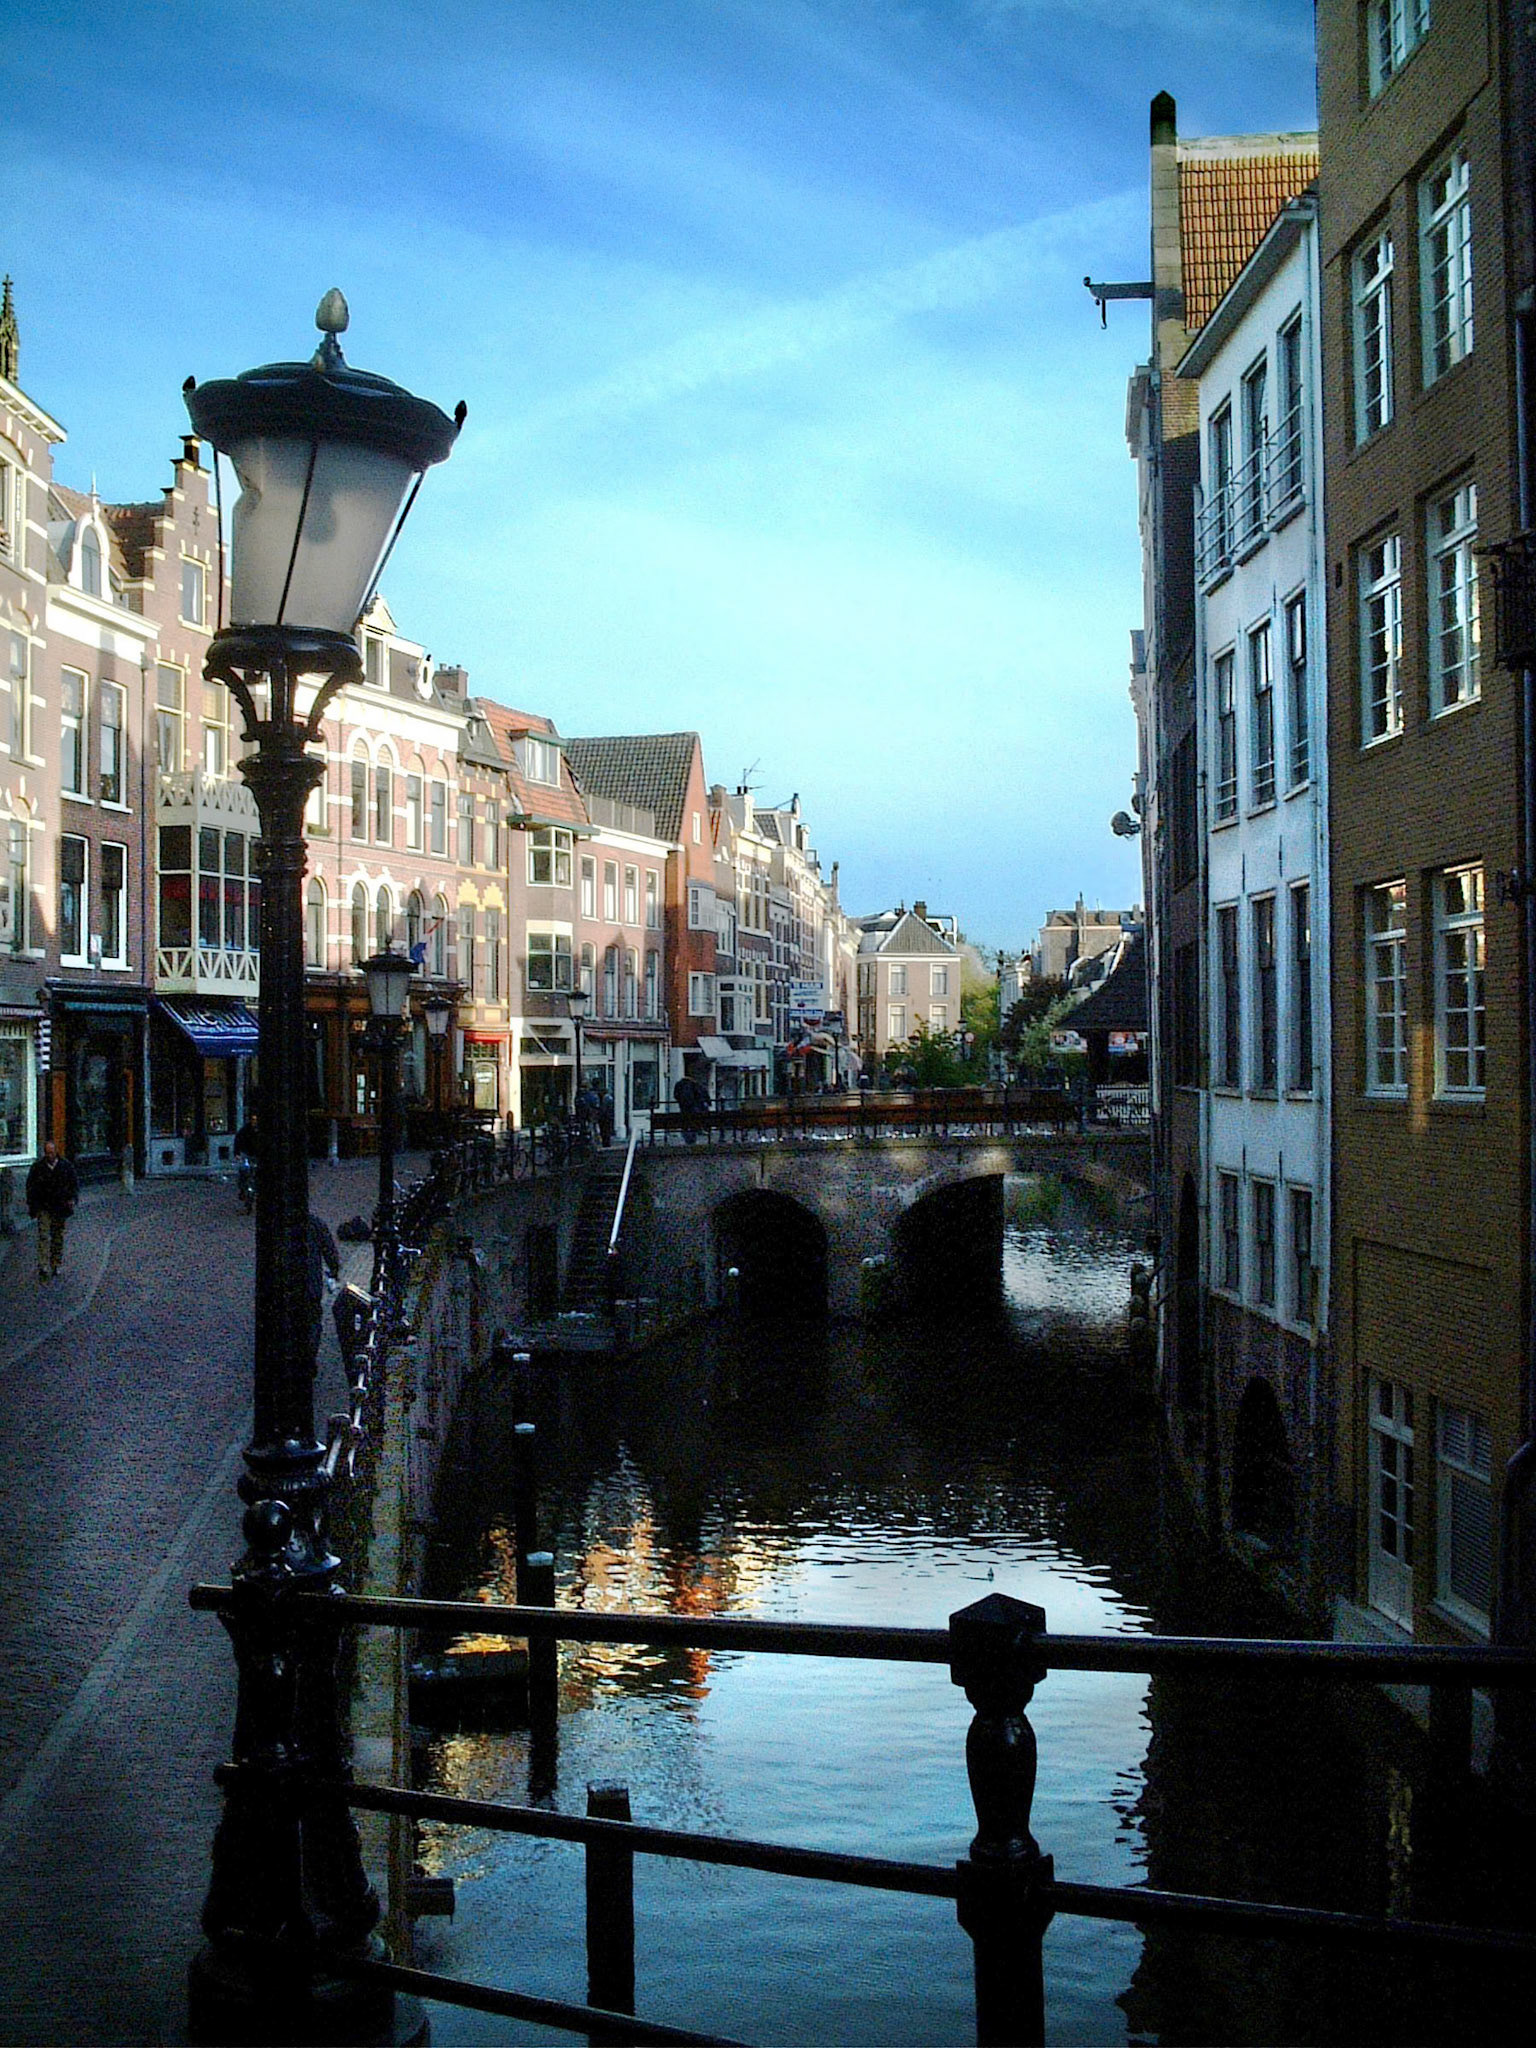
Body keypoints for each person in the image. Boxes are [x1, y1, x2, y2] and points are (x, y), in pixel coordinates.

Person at [26, 1139, 79, 1283]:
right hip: (44, 1206)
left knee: (57, 1236)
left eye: (52, 1152)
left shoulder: (66, 1166)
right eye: (47, 1153)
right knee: (44, 1235)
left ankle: (55, 1263)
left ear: (56, 1152)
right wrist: (33, 1206)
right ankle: (43, 1265)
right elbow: (31, 1187)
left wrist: (72, 1199)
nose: (49, 1155)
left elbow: (73, 1184)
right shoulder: (37, 1168)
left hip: (60, 1207)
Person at [305, 1211, 342, 1369]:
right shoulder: (315, 1223)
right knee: (313, 1320)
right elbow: (329, 1249)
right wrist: (334, 1271)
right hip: (310, 1283)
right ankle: (309, 1356)